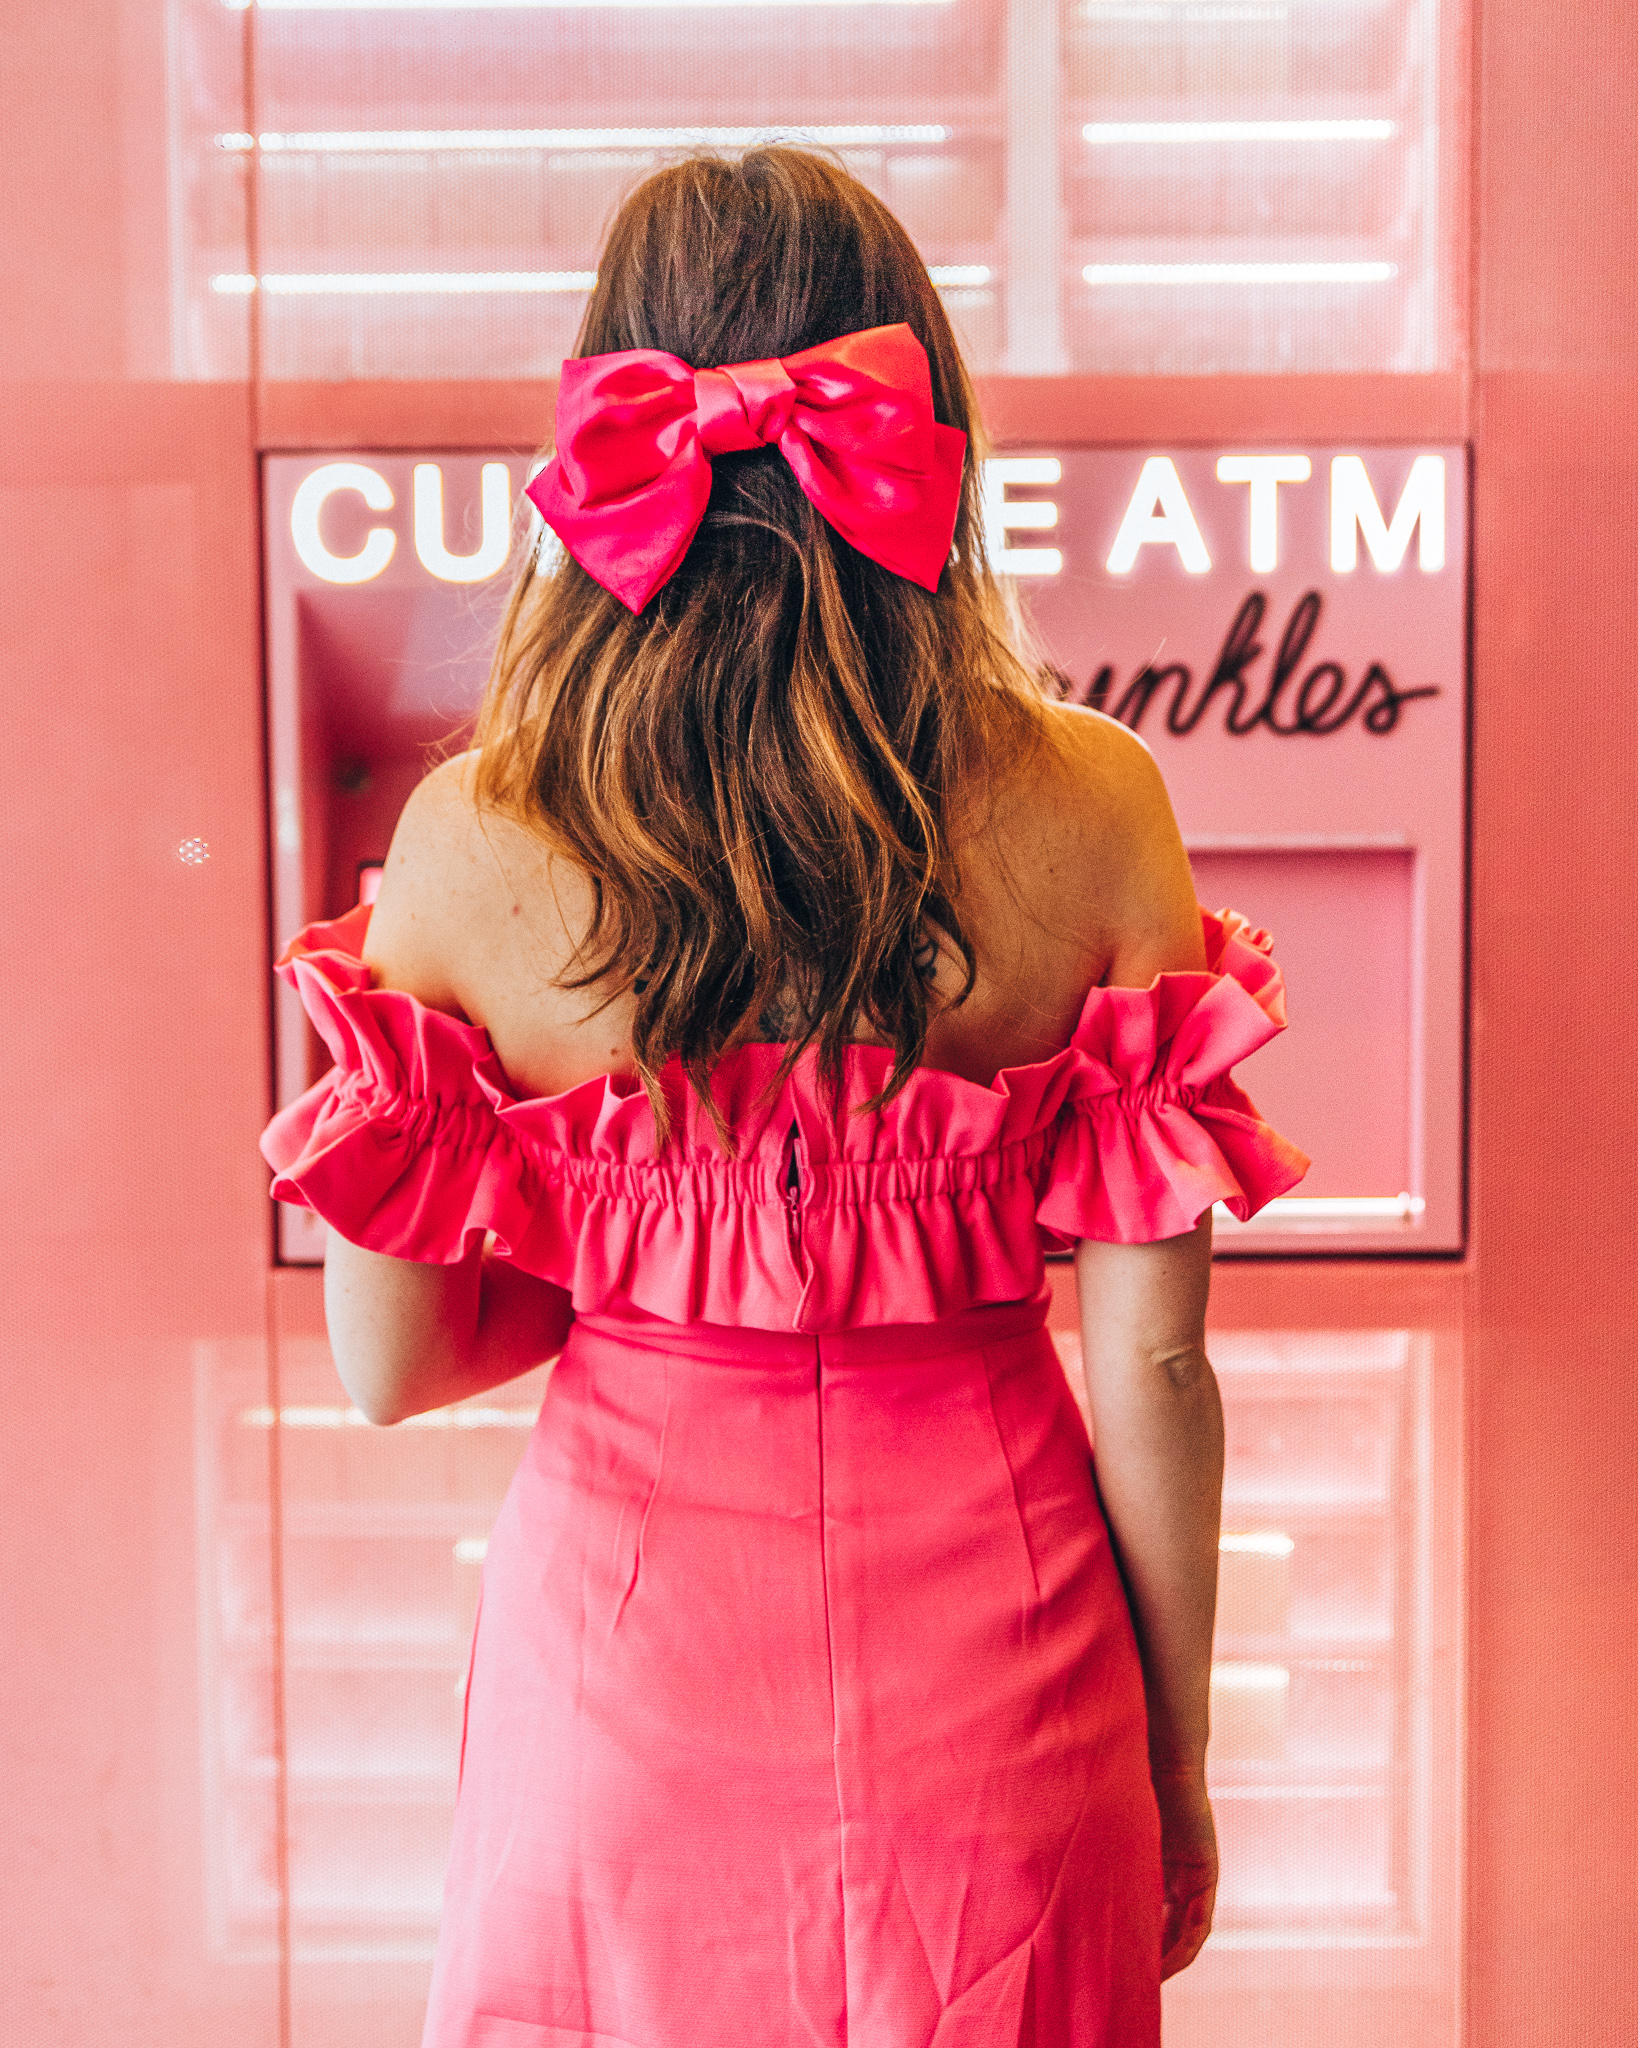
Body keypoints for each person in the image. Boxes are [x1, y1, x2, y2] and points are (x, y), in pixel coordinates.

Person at [263, 147, 1307, 2048]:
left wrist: (664, 1271)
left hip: (623, 1676)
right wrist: (1175, 1751)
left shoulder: (472, 841)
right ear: (926, 421)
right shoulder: (1091, 802)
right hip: (1007, 1674)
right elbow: (1152, 1367)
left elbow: (388, 1361)